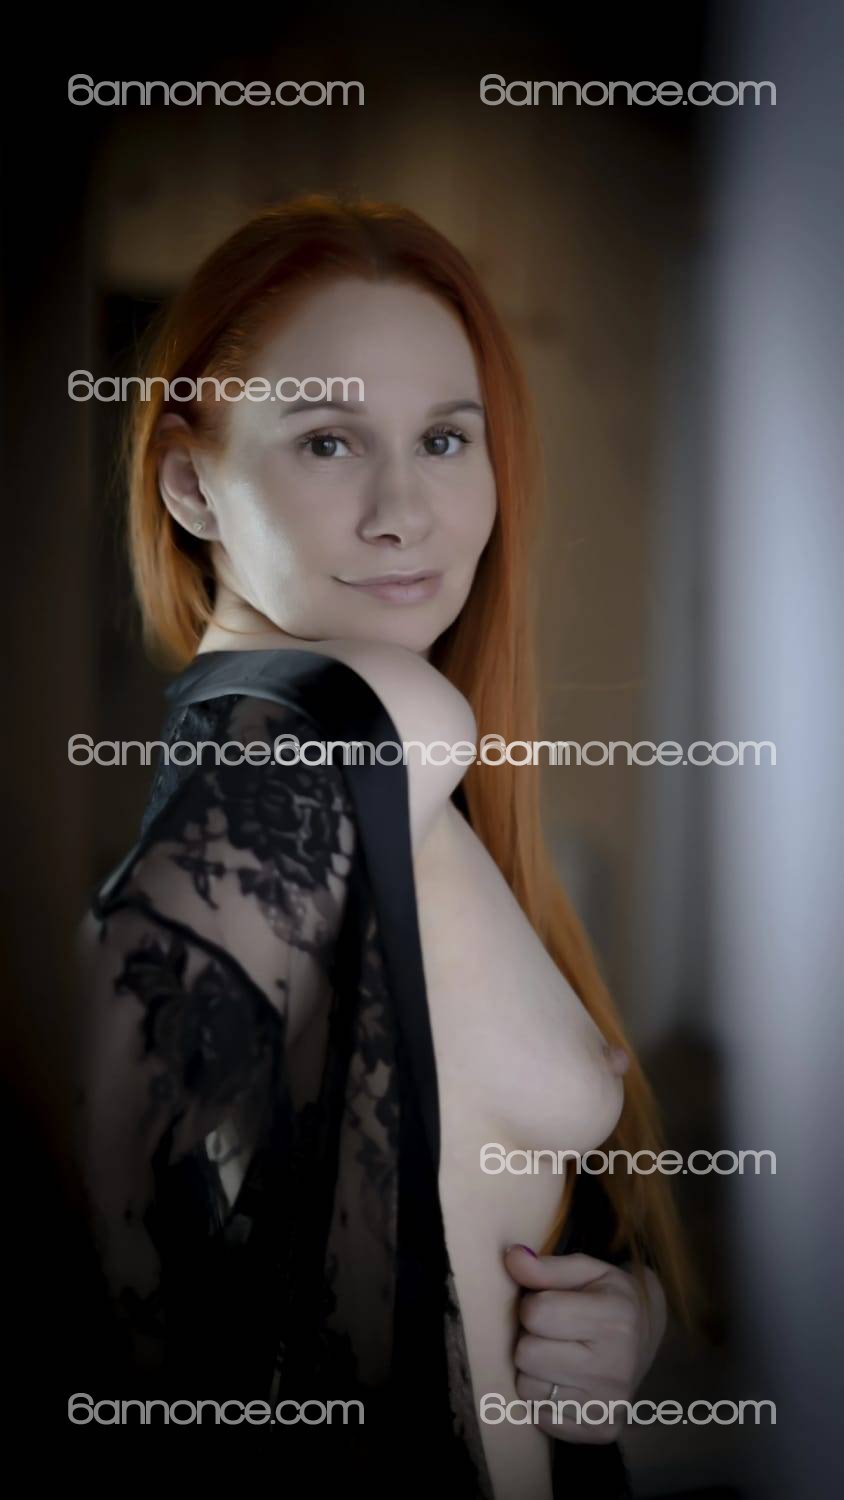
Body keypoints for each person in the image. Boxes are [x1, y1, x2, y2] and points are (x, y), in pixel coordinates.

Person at [73, 195, 697, 1498]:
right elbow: (128, 1040)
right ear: (190, 482)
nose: (405, 510)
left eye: (445, 439)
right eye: (327, 440)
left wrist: (620, 1315)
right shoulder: (376, 711)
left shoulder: (385, 756)